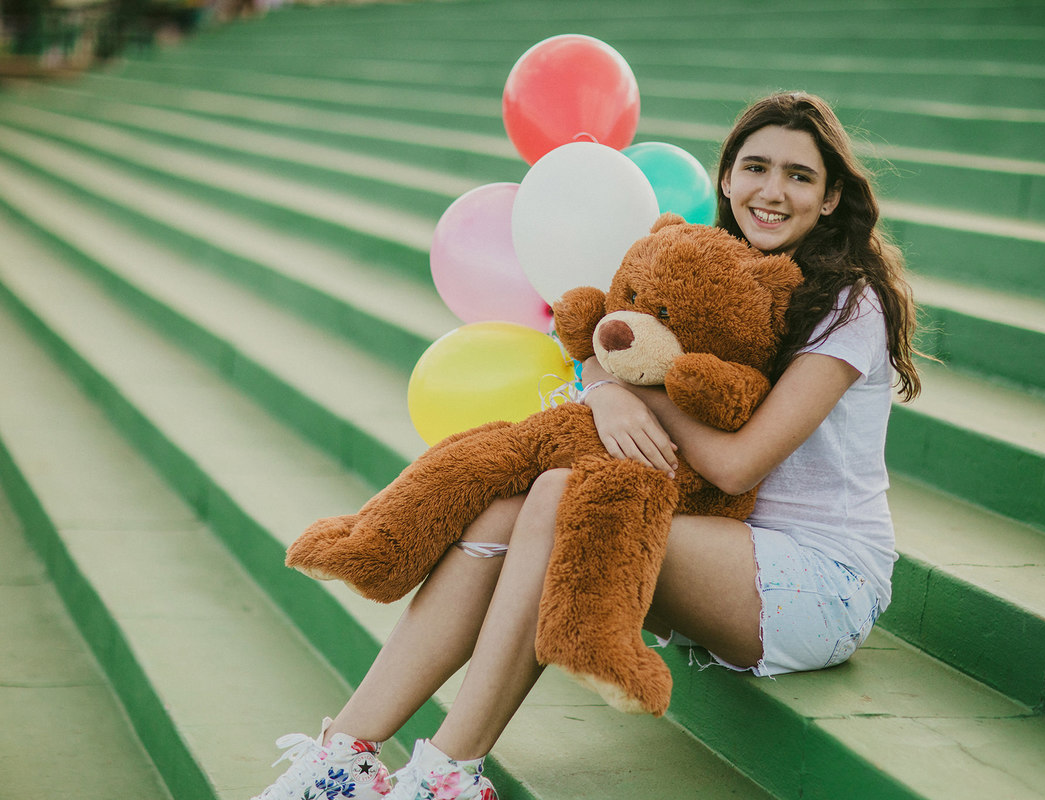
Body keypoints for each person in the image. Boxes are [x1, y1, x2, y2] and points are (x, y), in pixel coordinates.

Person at [251, 91, 923, 800]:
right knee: (501, 511)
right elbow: (612, 339)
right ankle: (345, 756)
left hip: (817, 578)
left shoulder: (850, 303)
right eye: (755, 167)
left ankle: (448, 773)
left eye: (799, 176)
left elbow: (736, 462)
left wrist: (641, 390)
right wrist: (605, 386)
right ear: (726, 179)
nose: (772, 191)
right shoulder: (707, 263)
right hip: (718, 545)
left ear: (830, 198)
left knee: (562, 494)